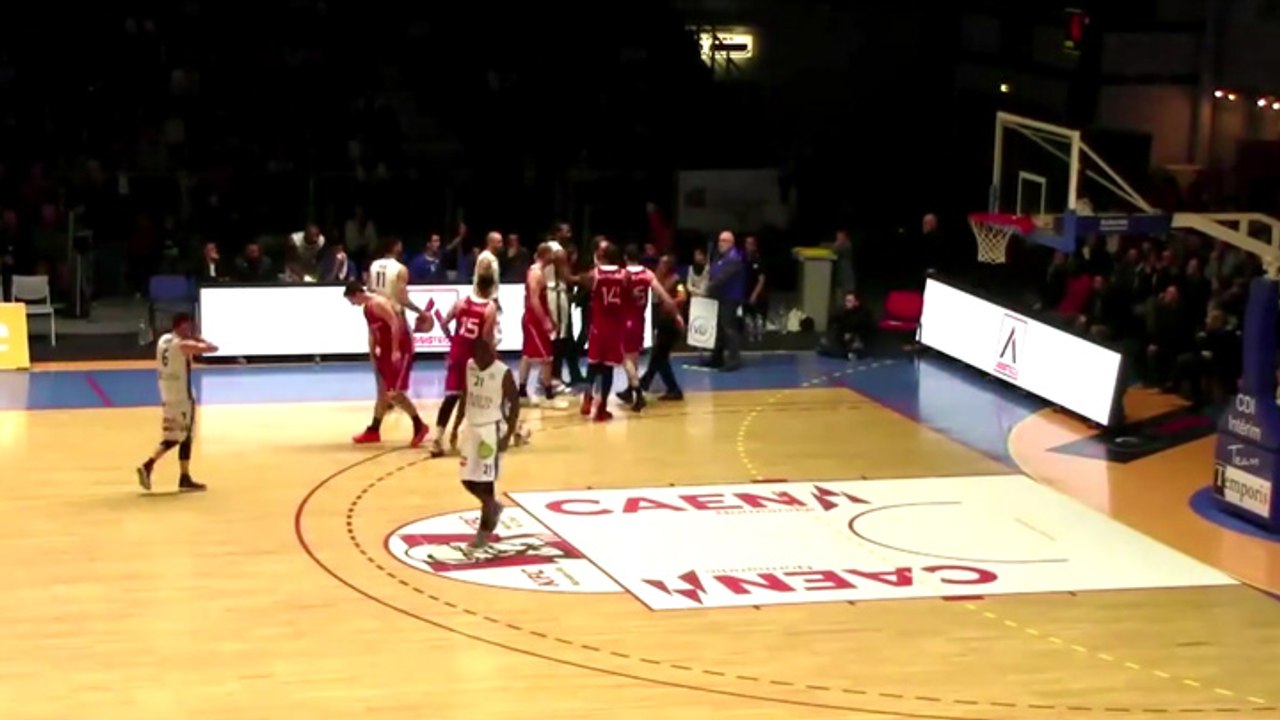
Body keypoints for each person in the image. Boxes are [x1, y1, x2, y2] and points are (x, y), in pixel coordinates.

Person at [453, 334, 522, 549]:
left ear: (491, 352)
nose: (480, 358)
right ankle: (492, 506)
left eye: (485, 353)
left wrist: (508, 435)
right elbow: (465, 396)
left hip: (491, 431)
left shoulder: (503, 372)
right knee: (466, 480)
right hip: (471, 427)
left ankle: (483, 532)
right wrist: (455, 427)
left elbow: (515, 404)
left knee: (486, 482)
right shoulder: (470, 366)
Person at [136, 313, 218, 492]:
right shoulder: (183, 344)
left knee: (183, 434)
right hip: (182, 397)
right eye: (188, 327)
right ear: (181, 326)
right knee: (178, 436)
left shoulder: (163, 340)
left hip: (166, 394)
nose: (189, 330)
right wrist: (197, 337)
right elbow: (212, 349)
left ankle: (184, 476)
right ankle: (148, 464)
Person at [344, 281, 430, 447]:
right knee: (382, 392)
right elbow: (372, 331)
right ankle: (374, 430)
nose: (353, 305)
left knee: (394, 393)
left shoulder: (379, 303)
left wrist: (396, 349)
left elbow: (395, 323)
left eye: (351, 301)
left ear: (357, 294)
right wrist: (371, 353)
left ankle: (419, 425)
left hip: (400, 349)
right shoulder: (367, 309)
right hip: (384, 350)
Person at [431, 274, 499, 457]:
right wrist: (492, 356)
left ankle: (437, 439)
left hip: (457, 353)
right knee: (479, 398)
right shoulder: (490, 308)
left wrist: (453, 341)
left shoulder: (460, 303)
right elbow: (486, 338)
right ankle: (474, 438)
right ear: (491, 289)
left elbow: (444, 324)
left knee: (451, 397)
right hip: (474, 356)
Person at [617, 243, 681, 411]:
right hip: (640, 320)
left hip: (626, 320)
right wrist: (677, 314)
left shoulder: (622, 275)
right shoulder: (647, 274)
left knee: (625, 359)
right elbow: (665, 297)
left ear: (625, 257)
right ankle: (630, 390)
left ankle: (637, 393)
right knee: (634, 359)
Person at [580, 243, 629, 421]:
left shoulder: (596, 274)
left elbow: (579, 281)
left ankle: (587, 396)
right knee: (608, 369)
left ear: (602, 256)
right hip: (614, 327)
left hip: (598, 326)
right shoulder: (624, 275)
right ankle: (602, 408)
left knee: (593, 365)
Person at [518, 243, 569, 408]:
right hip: (534, 320)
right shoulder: (536, 273)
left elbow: (541, 300)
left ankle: (522, 392)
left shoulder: (538, 272)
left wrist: (550, 318)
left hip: (535, 319)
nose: (554, 258)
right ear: (546, 255)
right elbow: (534, 300)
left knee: (527, 356)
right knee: (547, 358)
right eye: (552, 255)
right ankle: (548, 395)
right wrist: (544, 320)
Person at [638, 254, 687, 401]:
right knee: (658, 357)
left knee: (659, 357)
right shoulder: (660, 280)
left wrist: (671, 302)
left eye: (662, 264)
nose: (659, 266)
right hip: (663, 323)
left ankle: (671, 388)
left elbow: (683, 296)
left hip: (671, 324)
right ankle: (644, 384)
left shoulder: (676, 280)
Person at [705, 230, 745, 371]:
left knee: (729, 329)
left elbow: (723, 277)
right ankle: (717, 358)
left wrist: (708, 288)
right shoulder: (721, 257)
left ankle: (734, 360)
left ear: (731, 243)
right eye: (720, 240)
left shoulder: (734, 258)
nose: (720, 243)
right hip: (720, 297)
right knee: (720, 329)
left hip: (730, 298)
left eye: (724, 241)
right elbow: (714, 272)